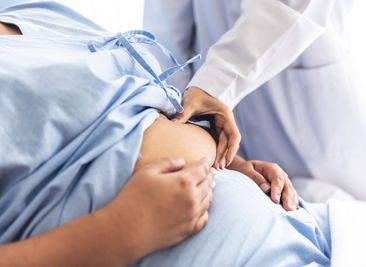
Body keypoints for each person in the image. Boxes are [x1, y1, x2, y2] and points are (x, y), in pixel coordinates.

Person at [0, 3, 325, 266]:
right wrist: (120, 231)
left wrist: (229, 160)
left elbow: (119, 111)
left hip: (304, 226)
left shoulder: (29, 10)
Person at [144, 0, 366, 207]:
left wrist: (214, 85)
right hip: (223, 140)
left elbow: (292, 5)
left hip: (316, 114)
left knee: (359, 221)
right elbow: (165, 44)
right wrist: (185, 110)